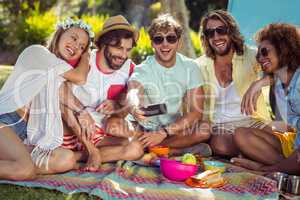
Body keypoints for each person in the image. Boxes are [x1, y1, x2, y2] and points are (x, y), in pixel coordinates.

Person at [0, 18, 93, 179]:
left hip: (24, 136)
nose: (76, 46)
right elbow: (80, 77)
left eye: (82, 47)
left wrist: (82, 112)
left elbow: (68, 95)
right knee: (24, 170)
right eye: (74, 38)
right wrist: (86, 56)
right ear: (60, 34)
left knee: (66, 159)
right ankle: (18, 165)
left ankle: (12, 162)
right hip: (6, 122)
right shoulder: (37, 52)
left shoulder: (56, 76)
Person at [60, 15, 144, 171]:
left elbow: (131, 97)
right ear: (104, 44)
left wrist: (118, 105)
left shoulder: (130, 68)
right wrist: (81, 111)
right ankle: (90, 152)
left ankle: (79, 157)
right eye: (118, 48)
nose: (123, 55)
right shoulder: (83, 58)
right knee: (62, 102)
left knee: (136, 148)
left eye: (128, 49)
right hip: (70, 124)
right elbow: (57, 87)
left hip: (96, 131)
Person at [125, 13, 211, 156]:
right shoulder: (143, 69)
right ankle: (177, 150)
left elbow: (196, 113)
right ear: (152, 43)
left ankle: (152, 149)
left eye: (170, 38)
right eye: (159, 39)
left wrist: (163, 132)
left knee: (205, 129)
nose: (165, 44)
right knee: (122, 130)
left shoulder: (190, 67)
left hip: (170, 129)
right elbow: (133, 91)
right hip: (143, 128)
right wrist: (134, 106)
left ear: (178, 42)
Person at [195, 10, 271, 158]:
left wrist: (260, 83)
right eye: (210, 33)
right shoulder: (199, 65)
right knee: (220, 145)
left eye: (221, 30)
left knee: (279, 138)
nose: (216, 37)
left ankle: (251, 156)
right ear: (206, 37)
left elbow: (283, 69)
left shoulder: (251, 55)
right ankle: (254, 155)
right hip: (221, 127)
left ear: (231, 31)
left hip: (253, 121)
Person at [231, 23, 300, 174]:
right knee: (241, 134)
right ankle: (284, 168)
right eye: (258, 55)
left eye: (264, 52)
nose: (261, 58)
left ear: (284, 49)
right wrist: (259, 83)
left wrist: (260, 168)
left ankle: (269, 169)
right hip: (294, 142)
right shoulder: (279, 83)